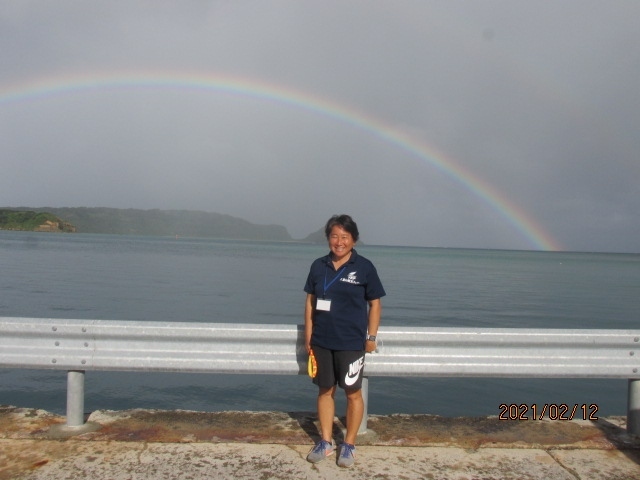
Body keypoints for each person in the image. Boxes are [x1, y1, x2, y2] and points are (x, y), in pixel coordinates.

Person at [303, 214, 385, 468]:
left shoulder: (365, 267)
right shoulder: (319, 266)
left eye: (345, 237)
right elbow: (310, 302)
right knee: (325, 390)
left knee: (352, 393)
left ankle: (348, 444)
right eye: (334, 236)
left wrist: (371, 337)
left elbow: (375, 304)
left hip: (351, 342)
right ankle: (326, 442)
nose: (339, 242)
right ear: (328, 238)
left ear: (354, 240)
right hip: (322, 341)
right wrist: (308, 337)